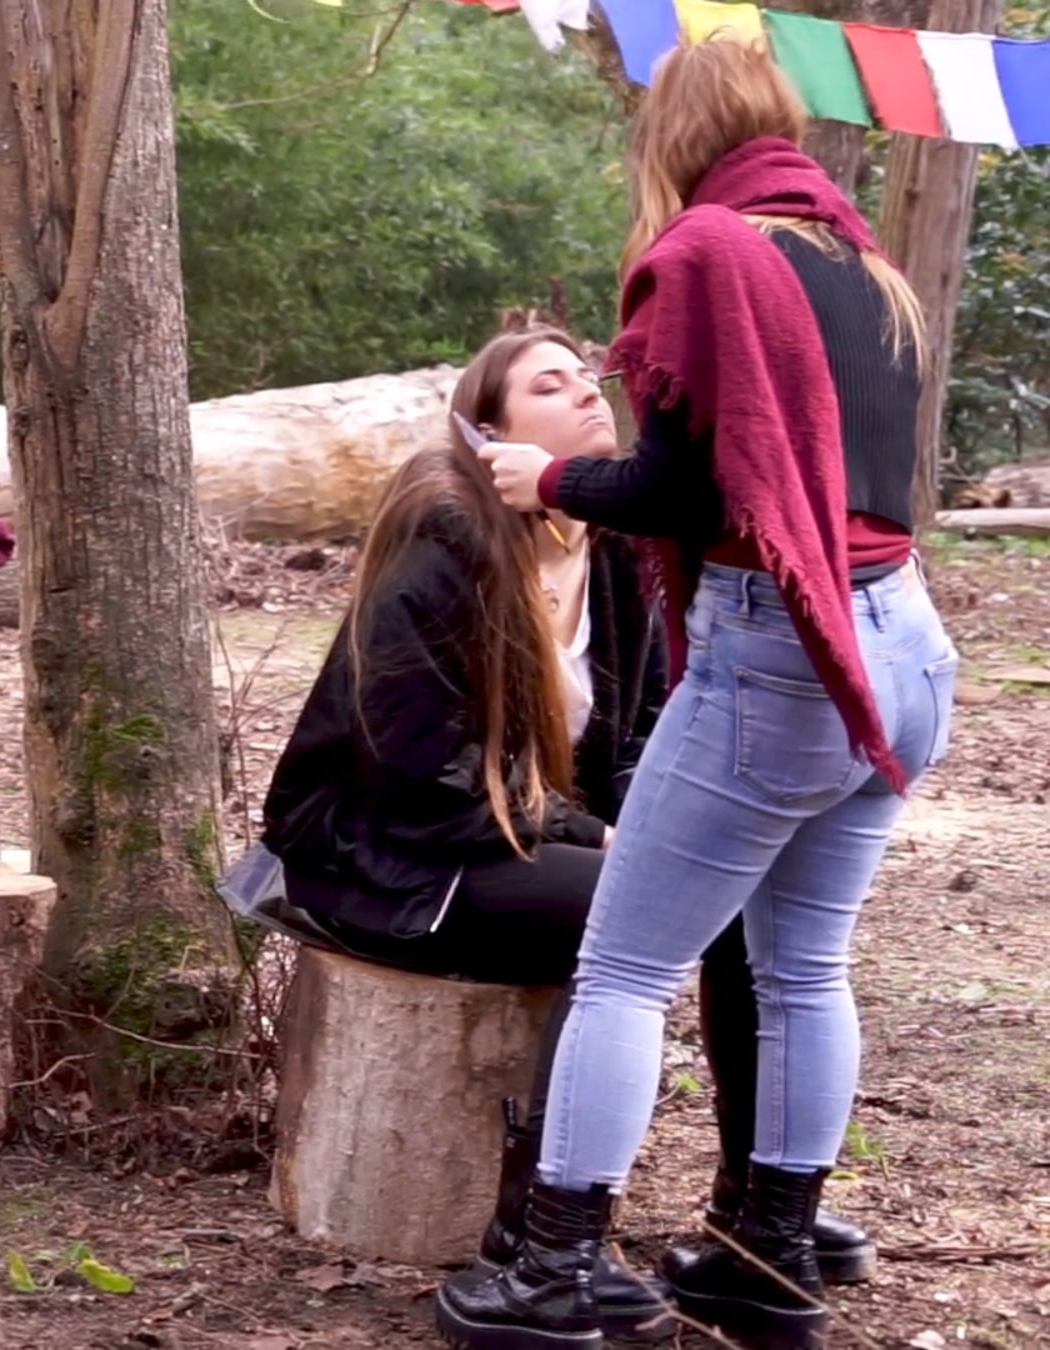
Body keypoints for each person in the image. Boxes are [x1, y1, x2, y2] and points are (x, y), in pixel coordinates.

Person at [435, 39, 958, 1350]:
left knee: (622, 968)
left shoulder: (708, 255)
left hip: (781, 648)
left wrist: (546, 483)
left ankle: (555, 1271)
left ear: (673, 136)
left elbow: (682, 491)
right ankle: (766, 1252)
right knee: (804, 966)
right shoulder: (868, 267)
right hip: (900, 641)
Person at [255, 326, 867, 1338]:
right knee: (623, 920)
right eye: (550, 384)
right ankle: (536, 1245)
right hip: (394, 854)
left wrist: (656, 825)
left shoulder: (614, 542)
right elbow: (421, 770)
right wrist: (608, 841)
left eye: (589, 377)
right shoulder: (447, 525)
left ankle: (759, 1220)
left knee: (739, 906)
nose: (588, 393)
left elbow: (641, 738)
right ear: (488, 430)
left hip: (518, 839)